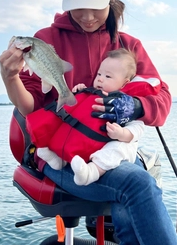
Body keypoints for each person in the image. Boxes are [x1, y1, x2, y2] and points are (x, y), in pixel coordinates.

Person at [0, 0, 177, 245]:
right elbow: (29, 104)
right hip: (60, 155)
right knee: (138, 183)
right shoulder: (45, 39)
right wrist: (10, 78)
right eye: (77, 9)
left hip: (106, 151)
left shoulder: (128, 47)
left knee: (130, 190)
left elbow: (161, 99)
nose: (86, 17)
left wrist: (135, 106)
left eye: (95, 8)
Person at [33, 48, 159, 186]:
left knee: (116, 148)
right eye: (99, 73)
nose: (100, 78)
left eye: (108, 76)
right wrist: (79, 92)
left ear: (124, 83)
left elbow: (138, 128)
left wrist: (122, 133)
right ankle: (58, 159)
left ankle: (91, 172)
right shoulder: (93, 93)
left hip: (114, 145)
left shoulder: (125, 103)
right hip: (90, 141)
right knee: (68, 127)